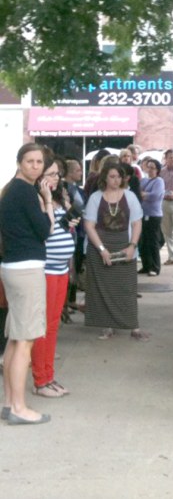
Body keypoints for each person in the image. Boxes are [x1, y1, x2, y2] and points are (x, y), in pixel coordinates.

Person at [0, 143, 55, 425]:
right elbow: (45, 230)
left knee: (14, 340)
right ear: (20, 162)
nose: (35, 166)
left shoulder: (12, 190)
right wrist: (47, 200)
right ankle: (19, 408)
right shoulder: (24, 191)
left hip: (13, 266)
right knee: (25, 341)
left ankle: (10, 403)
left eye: (39, 162)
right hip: (26, 269)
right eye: (30, 161)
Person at [31, 156, 78, 398]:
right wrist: (49, 201)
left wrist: (70, 218)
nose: (55, 178)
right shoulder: (39, 199)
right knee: (44, 326)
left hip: (60, 268)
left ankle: (49, 375)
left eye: (57, 174)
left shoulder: (57, 198)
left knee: (53, 325)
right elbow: (45, 230)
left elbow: (62, 226)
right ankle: (41, 378)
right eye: (50, 174)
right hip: (47, 269)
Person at [83, 163, 146, 341]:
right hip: (100, 245)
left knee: (127, 287)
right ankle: (107, 325)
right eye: (112, 176)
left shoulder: (130, 196)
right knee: (102, 288)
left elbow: (137, 222)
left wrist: (132, 245)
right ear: (104, 178)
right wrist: (102, 249)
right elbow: (89, 225)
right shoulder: (96, 197)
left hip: (124, 243)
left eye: (118, 176)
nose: (116, 180)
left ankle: (133, 325)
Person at [64, 159, 86, 314]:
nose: (80, 172)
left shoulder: (77, 188)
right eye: (78, 170)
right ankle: (67, 301)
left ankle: (70, 299)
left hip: (78, 232)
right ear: (70, 172)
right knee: (70, 267)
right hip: (72, 232)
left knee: (75, 266)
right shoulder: (66, 188)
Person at [138, 158, 165, 276]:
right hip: (143, 214)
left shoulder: (159, 181)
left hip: (154, 215)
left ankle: (155, 266)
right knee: (143, 242)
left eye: (152, 167)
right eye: (148, 167)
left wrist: (145, 194)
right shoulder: (143, 180)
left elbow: (155, 195)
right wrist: (143, 194)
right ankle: (146, 265)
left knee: (153, 241)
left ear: (157, 170)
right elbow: (138, 193)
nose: (150, 170)